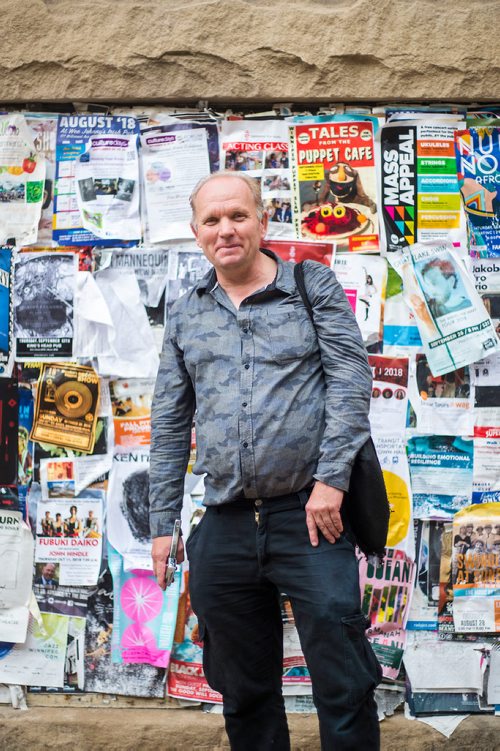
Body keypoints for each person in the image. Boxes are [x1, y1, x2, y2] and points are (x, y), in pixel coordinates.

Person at [150, 171, 380, 750]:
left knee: (342, 682)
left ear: (262, 220)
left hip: (310, 515)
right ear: (196, 232)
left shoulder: (312, 285)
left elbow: (351, 383)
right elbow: (171, 421)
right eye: (212, 220)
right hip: (224, 522)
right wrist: (161, 525)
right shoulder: (185, 314)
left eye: (238, 216)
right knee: (244, 690)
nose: (226, 230)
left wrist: (331, 482)